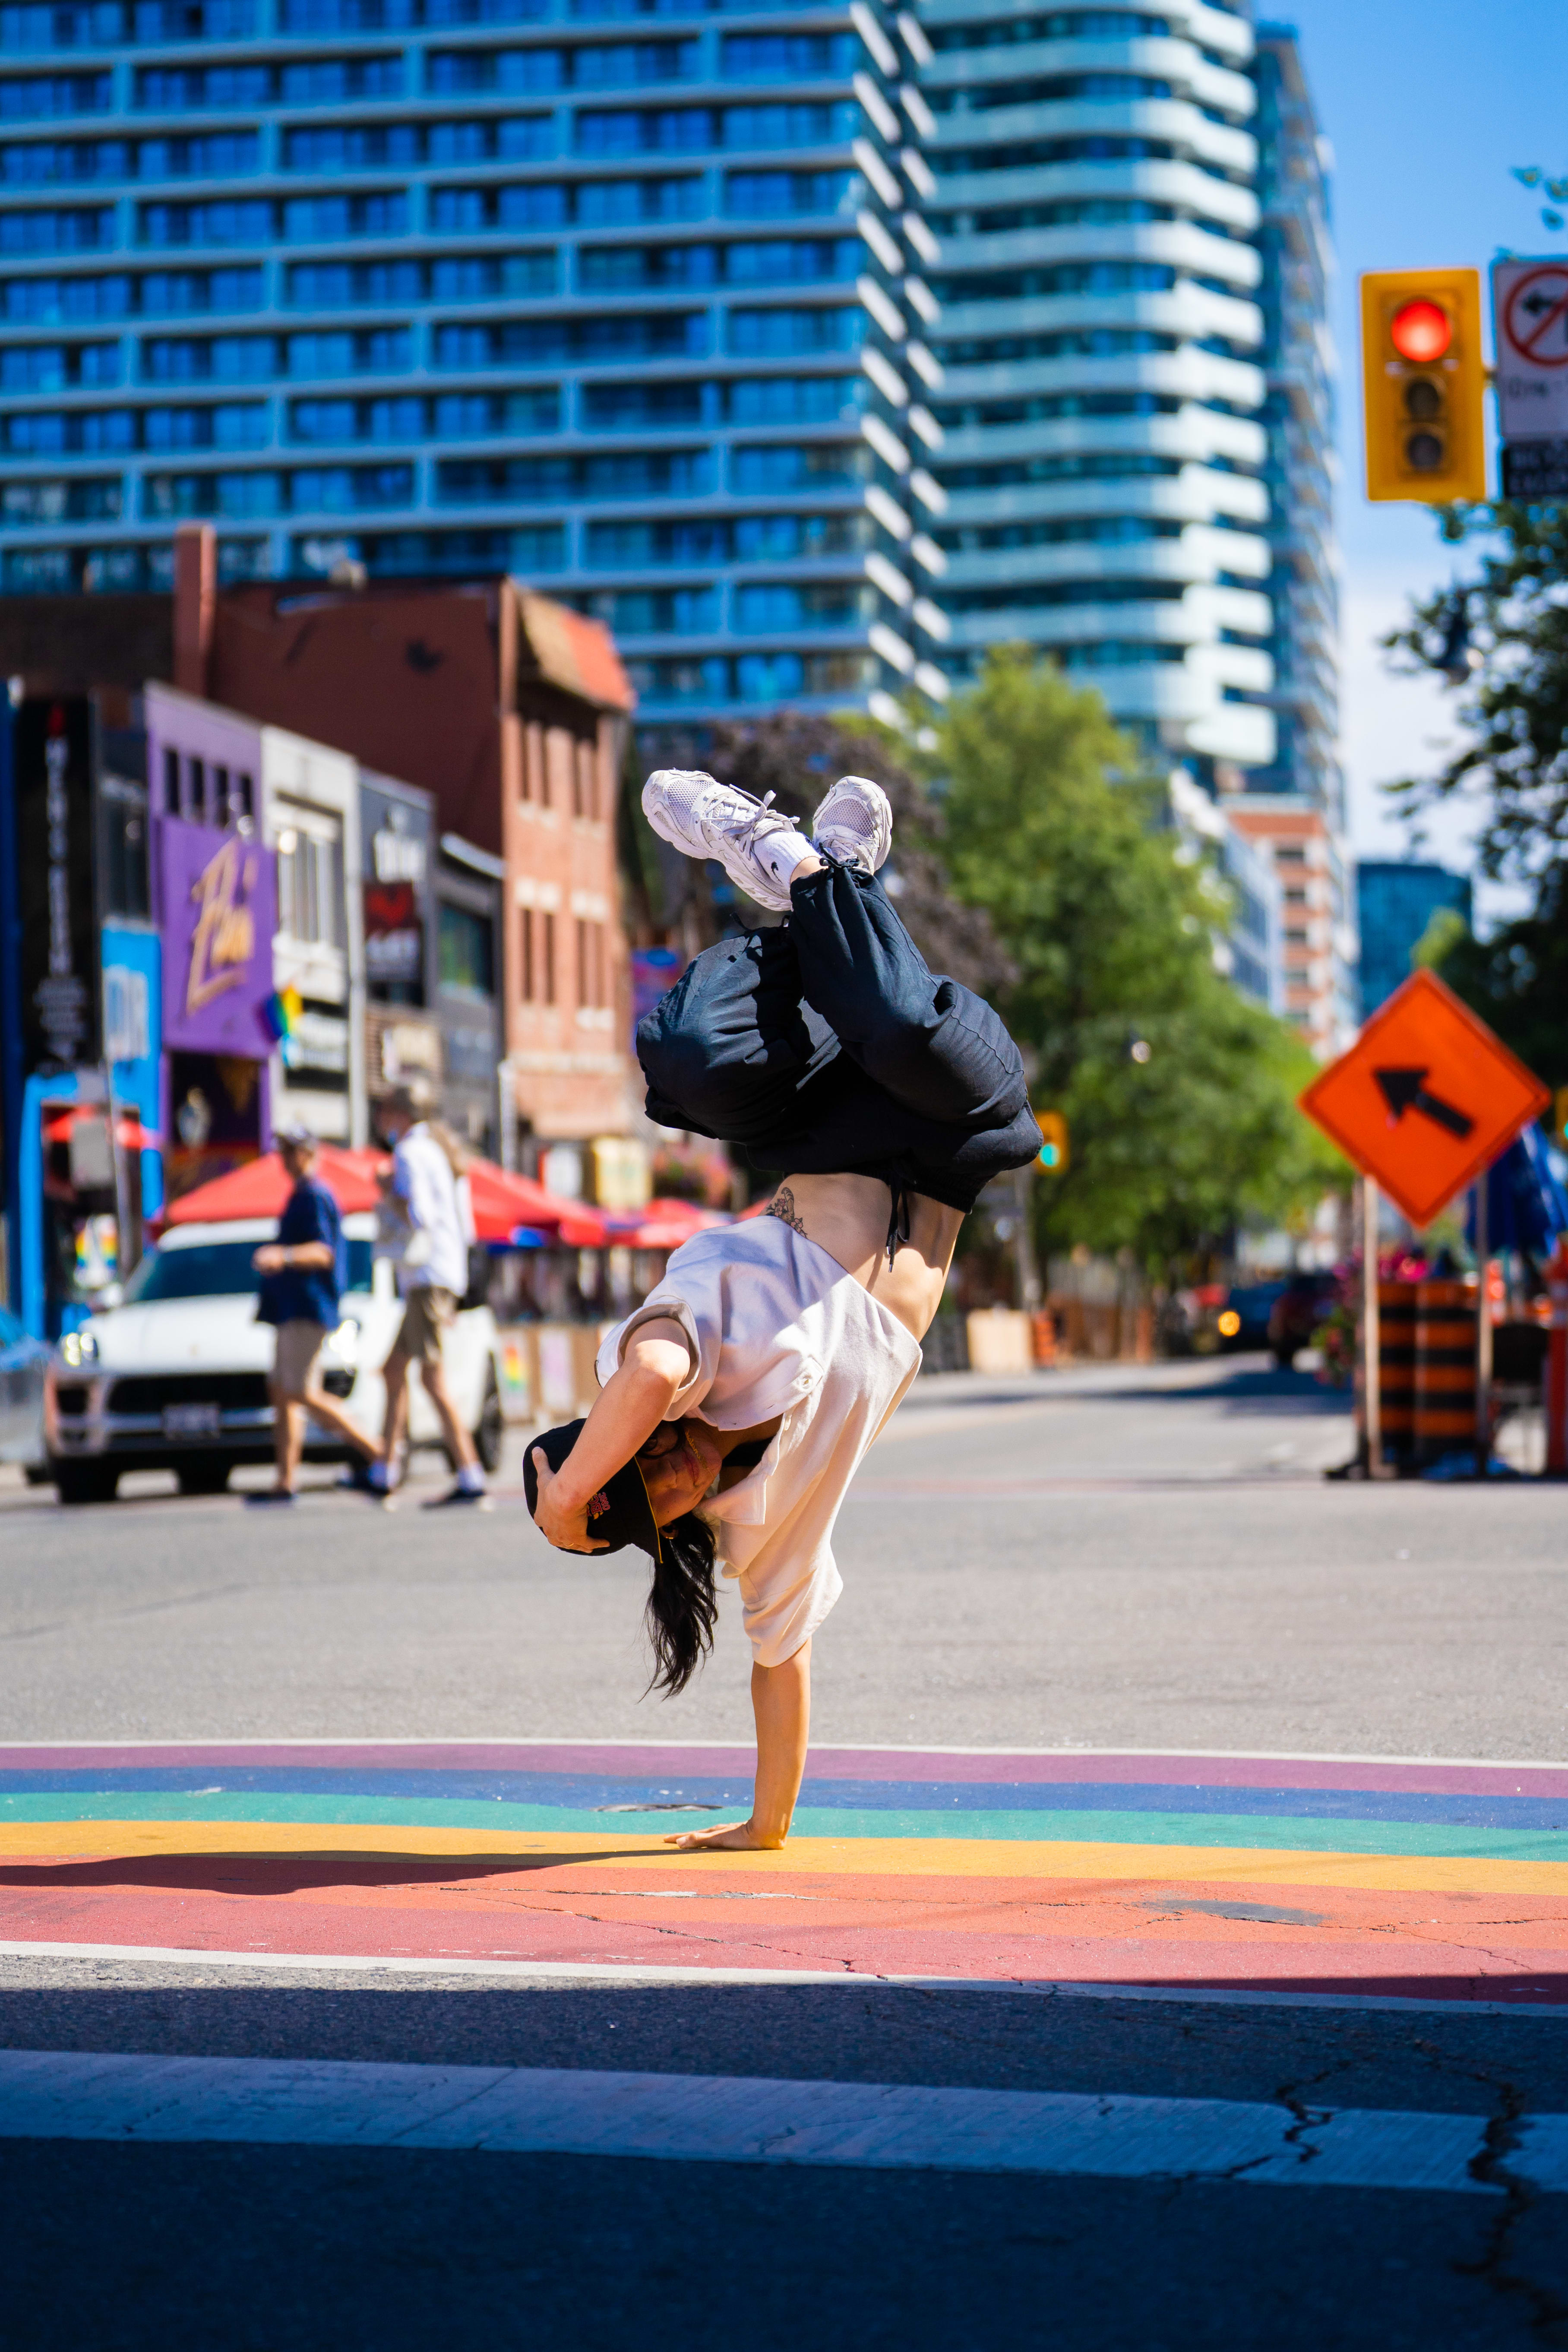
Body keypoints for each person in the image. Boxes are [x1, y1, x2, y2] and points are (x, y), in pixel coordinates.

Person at [526, 771, 1041, 1850]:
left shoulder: (682, 1340)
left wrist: (565, 1491)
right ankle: (832, 880)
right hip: (957, 1127)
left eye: (630, 1461)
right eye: (646, 1505)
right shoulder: (760, 1534)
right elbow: (779, 1662)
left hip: (820, 1118)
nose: (662, 1475)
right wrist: (763, 1825)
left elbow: (651, 1381)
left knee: (679, 1063)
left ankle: (782, 862)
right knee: (903, 1027)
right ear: (663, 1532)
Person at [363, 1082, 490, 1510]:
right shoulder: (435, 1151)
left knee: (429, 1379)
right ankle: (384, 1469)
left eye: (382, 1111)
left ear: (397, 1113)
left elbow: (420, 1215)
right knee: (395, 1370)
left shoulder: (410, 1154)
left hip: (426, 1276)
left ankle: (469, 1473)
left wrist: (386, 1190)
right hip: (437, 1275)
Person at [251, 1125, 382, 1505]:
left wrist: (284, 1255)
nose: (285, 1160)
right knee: (283, 1392)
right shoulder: (301, 1194)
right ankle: (286, 1478)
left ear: (308, 1154)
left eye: (292, 1151)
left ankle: (377, 1450)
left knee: (301, 1391)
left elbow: (324, 1252)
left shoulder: (316, 1194)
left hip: (309, 1305)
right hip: (291, 1306)